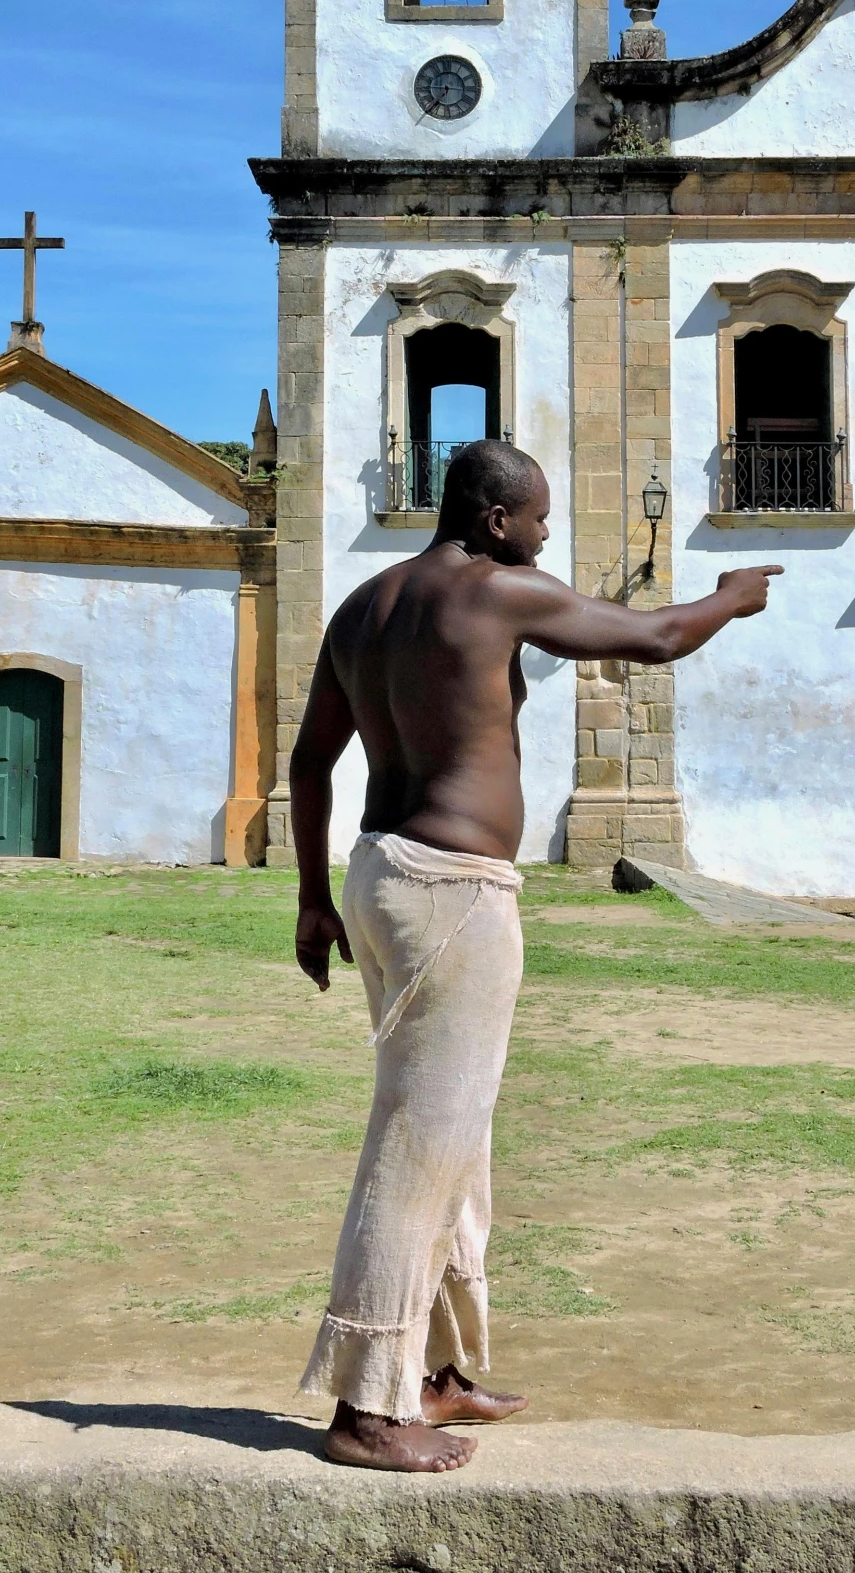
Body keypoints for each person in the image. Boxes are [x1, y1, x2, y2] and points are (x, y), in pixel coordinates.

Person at [288, 438, 781, 1473]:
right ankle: (366, 1405)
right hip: (452, 892)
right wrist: (732, 595)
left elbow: (309, 758)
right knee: (418, 1146)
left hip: (376, 874)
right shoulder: (499, 592)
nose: (547, 534)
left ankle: (438, 1371)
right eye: (541, 518)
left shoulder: (364, 604)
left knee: (454, 1137)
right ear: (497, 517)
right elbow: (655, 634)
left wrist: (308, 896)